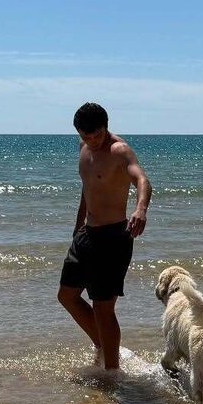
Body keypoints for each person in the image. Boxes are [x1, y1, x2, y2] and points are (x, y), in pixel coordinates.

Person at [56, 102, 152, 370]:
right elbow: (88, 189)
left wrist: (140, 209)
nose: (91, 141)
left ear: (105, 128)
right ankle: (105, 346)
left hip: (113, 238)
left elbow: (143, 180)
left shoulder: (119, 151)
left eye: (95, 135)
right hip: (87, 234)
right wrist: (78, 227)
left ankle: (112, 372)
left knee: (103, 308)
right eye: (85, 137)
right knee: (67, 296)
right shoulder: (84, 146)